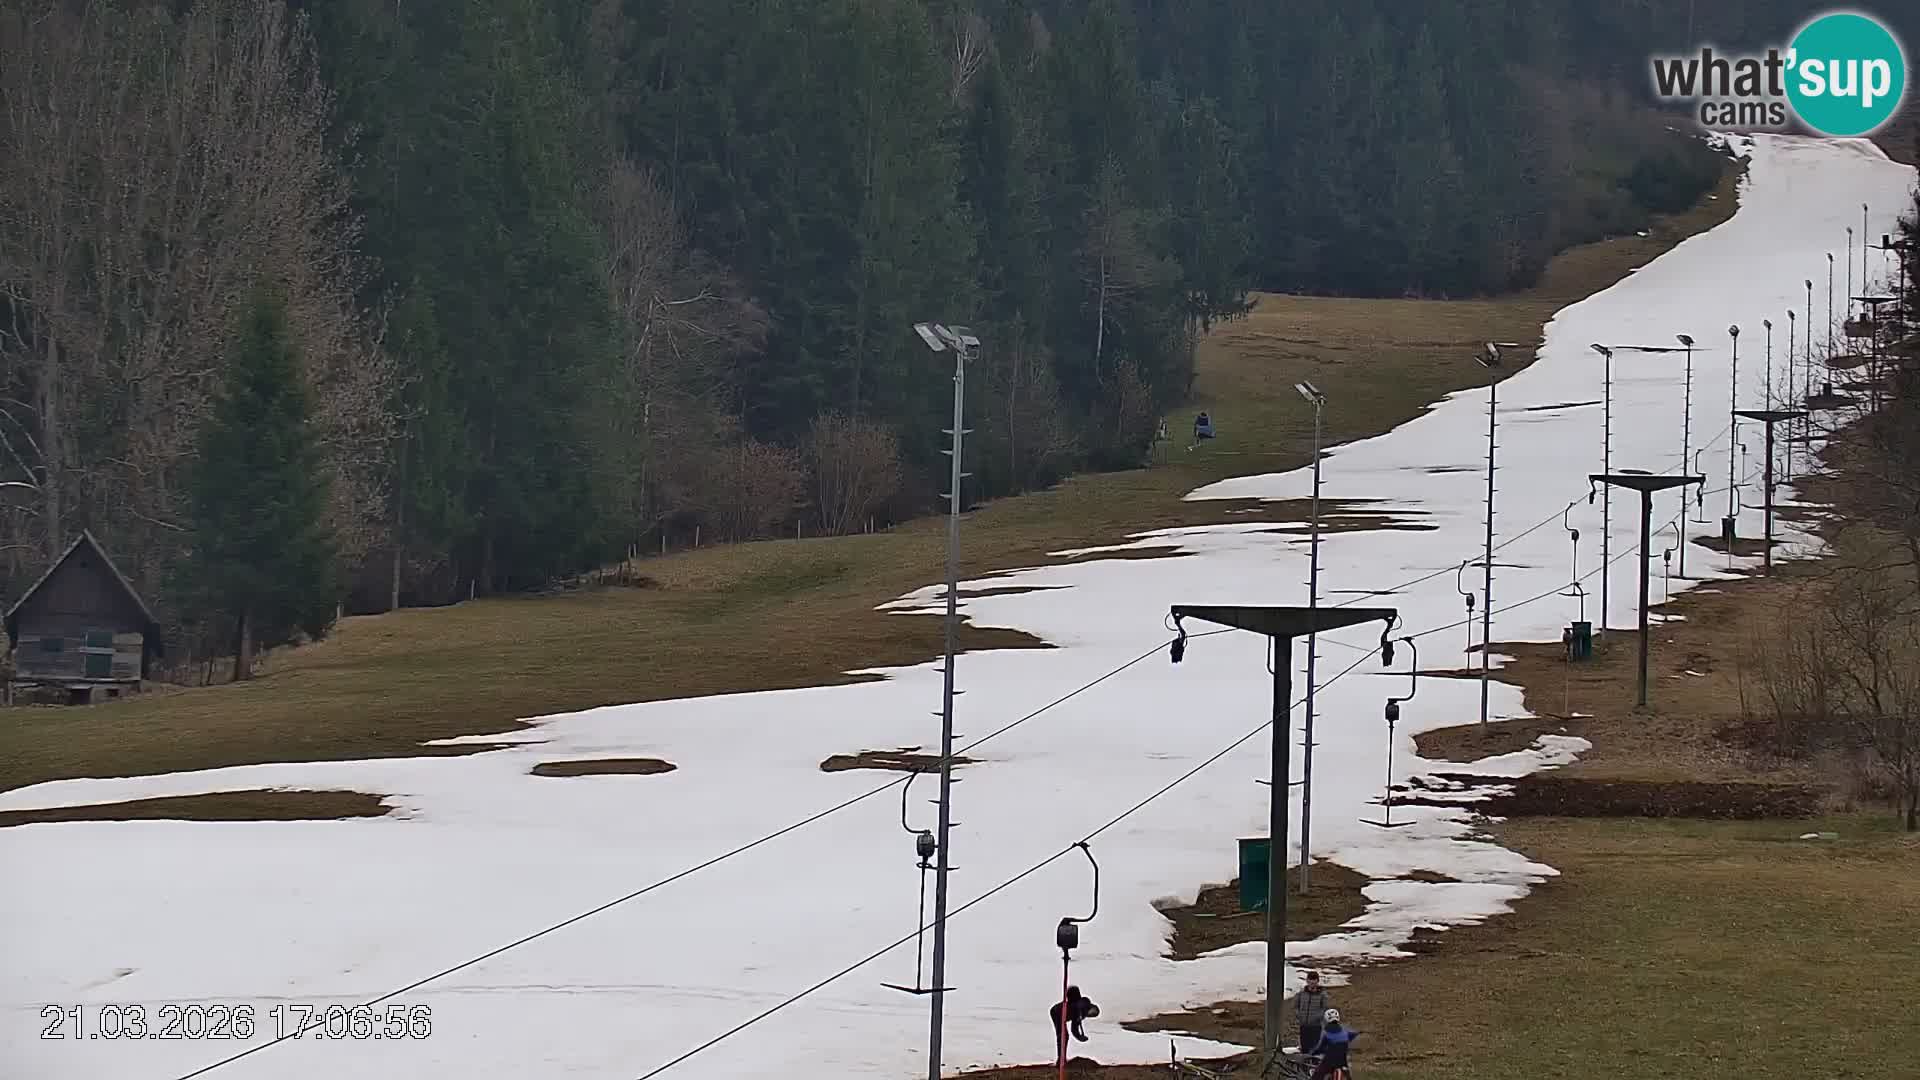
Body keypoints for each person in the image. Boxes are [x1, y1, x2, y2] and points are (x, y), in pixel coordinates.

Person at [1308, 1008, 1358, 1080]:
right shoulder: (1345, 1032)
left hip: (1330, 1062)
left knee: (1317, 1075)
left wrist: (1312, 1053)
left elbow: (1320, 1048)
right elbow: (1353, 1035)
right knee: (1348, 1076)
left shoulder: (1327, 1033)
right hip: (1343, 1062)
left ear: (1326, 1019)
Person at [1049, 985, 1100, 1053]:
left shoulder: (1080, 1015)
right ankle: (1061, 1057)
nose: (1091, 1013)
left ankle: (1062, 1057)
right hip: (1057, 1012)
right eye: (1093, 1011)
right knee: (1063, 1036)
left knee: (1064, 1036)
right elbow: (1080, 1003)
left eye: (1092, 1014)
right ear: (1092, 1006)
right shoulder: (1085, 1002)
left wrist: (1079, 1037)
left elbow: (1074, 1029)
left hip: (1060, 1013)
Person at [1294, 970, 1331, 1056]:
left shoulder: (1322, 995)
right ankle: (1304, 1067)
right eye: (1310, 982)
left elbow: (1324, 1009)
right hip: (1303, 1025)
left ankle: (1313, 1067)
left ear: (1317, 981)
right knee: (1304, 1049)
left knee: (1314, 1048)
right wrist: (1299, 1015)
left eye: (1314, 982)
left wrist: (1316, 1017)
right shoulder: (1301, 993)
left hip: (1315, 1026)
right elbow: (1296, 1006)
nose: (1312, 984)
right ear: (1307, 981)